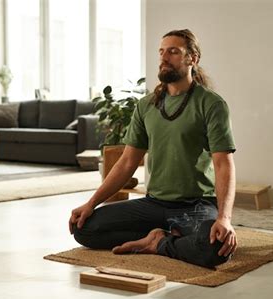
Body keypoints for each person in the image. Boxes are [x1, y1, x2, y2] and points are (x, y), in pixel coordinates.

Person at [69, 29, 237, 269]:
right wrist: (91, 203)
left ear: (193, 58)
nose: (164, 57)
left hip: (196, 204)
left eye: (173, 52)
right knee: (83, 228)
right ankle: (166, 238)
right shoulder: (146, 105)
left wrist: (224, 218)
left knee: (215, 249)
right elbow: (127, 162)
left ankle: (158, 242)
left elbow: (223, 164)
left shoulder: (211, 104)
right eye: (161, 51)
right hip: (154, 204)